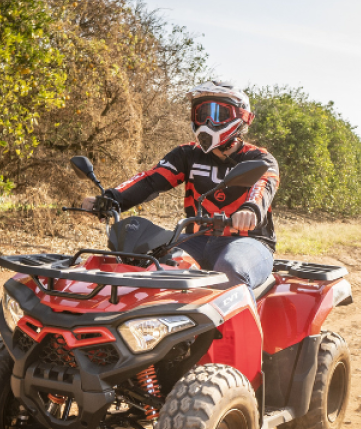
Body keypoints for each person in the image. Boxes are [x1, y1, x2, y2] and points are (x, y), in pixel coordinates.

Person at [81, 81, 279, 290]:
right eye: (201, 114)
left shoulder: (259, 159)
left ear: (240, 117)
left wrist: (250, 209)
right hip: (196, 238)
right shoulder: (187, 154)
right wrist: (111, 199)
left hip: (249, 242)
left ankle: (237, 323)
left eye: (218, 114)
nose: (208, 122)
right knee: (145, 262)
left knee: (230, 269)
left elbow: (262, 187)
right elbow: (151, 180)